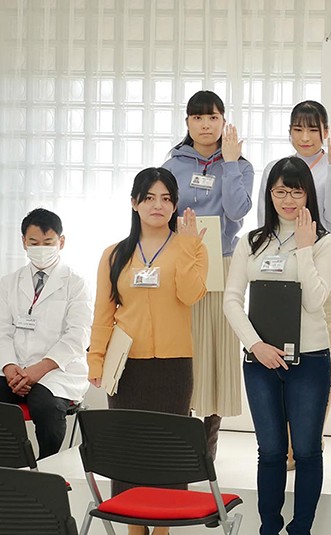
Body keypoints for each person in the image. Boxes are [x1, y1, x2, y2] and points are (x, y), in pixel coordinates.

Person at [88, 168, 208, 535]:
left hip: (173, 367)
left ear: (175, 205)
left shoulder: (193, 246)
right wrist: (96, 358)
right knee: (129, 452)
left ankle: (163, 528)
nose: (158, 205)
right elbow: (103, 312)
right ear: (134, 203)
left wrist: (187, 247)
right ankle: (132, 527)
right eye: (150, 197)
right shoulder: (114, 255)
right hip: (126, 367)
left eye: (166, 198)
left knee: (168, 452)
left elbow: (190, 295)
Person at [224, 157, 331, 535]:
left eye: (296, 191)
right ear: (269, 194)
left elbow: (315, 302)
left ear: (308, 194)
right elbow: (231, 300)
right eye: (279, 191)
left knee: (306, 450)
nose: (287, 200)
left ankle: (301, 529)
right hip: (260, 360)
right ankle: (269, 528)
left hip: (309, 359)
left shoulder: (325, 243)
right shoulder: (252, 242)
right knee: (271, 451)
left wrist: (304, 248)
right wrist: (255, 345)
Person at [257, 101, 331, 466]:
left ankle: (311, 435)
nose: (306, 137)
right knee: (280, 344)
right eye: (298, 129)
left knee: (322, 347)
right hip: (279, 261)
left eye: (313, 129)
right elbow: (263, 219)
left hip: (322, 256)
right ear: (289, 133)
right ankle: (283, 440)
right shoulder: (276, 167)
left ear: (326, 132)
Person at [161, 90, 254, 459]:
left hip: (223, 260)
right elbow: (161, 214)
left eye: (213, 117)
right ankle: (181, 439)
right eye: (197, 117)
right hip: (181, 261)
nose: (205, 124)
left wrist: (229, 163)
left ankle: (207, 446)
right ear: (187, 122)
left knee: (217, 351)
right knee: (186, 348)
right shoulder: (172, 165)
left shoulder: (240, 166)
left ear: (223, 121)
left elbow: (236, 211)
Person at [0, 208, 91, 459]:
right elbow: (2, 331)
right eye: (34, 242)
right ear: (23, 242)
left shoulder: (76, 283)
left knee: (44, 403)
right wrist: (10, 367)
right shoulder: (8, 283)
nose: (41, 248)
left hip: (57, 371)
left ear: (61, 242)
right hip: (15, 369)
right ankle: (11, 463)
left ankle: (46, 465)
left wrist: (37, 370)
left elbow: (77, 336)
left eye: (48, 242)